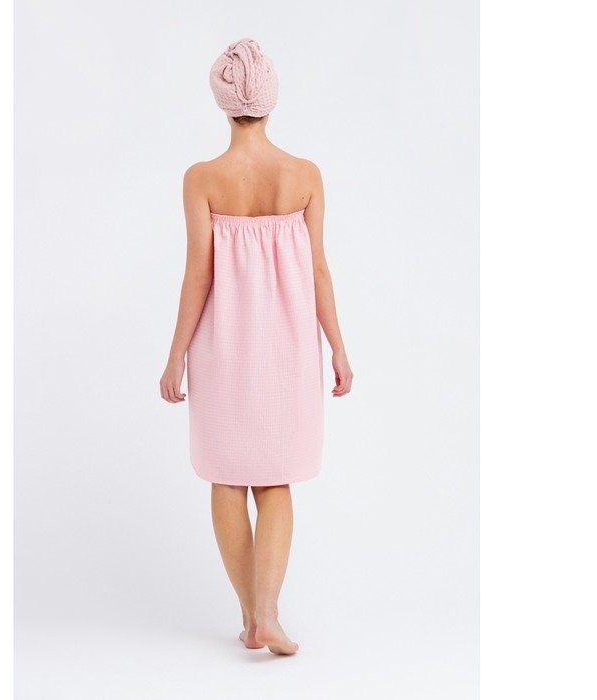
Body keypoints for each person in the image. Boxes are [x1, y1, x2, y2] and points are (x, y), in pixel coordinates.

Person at [159, 37, 353, 655]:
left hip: (221, 349)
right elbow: (319, 270)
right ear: (271, 100)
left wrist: (175, 355)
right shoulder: (304, 175)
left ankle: (252, 617)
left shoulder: (202, 179)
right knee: (275, 480)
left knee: (225, 478)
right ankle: (265, 614)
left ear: (222, 103)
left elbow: (198, 274)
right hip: (290, 348)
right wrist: (338, 347)